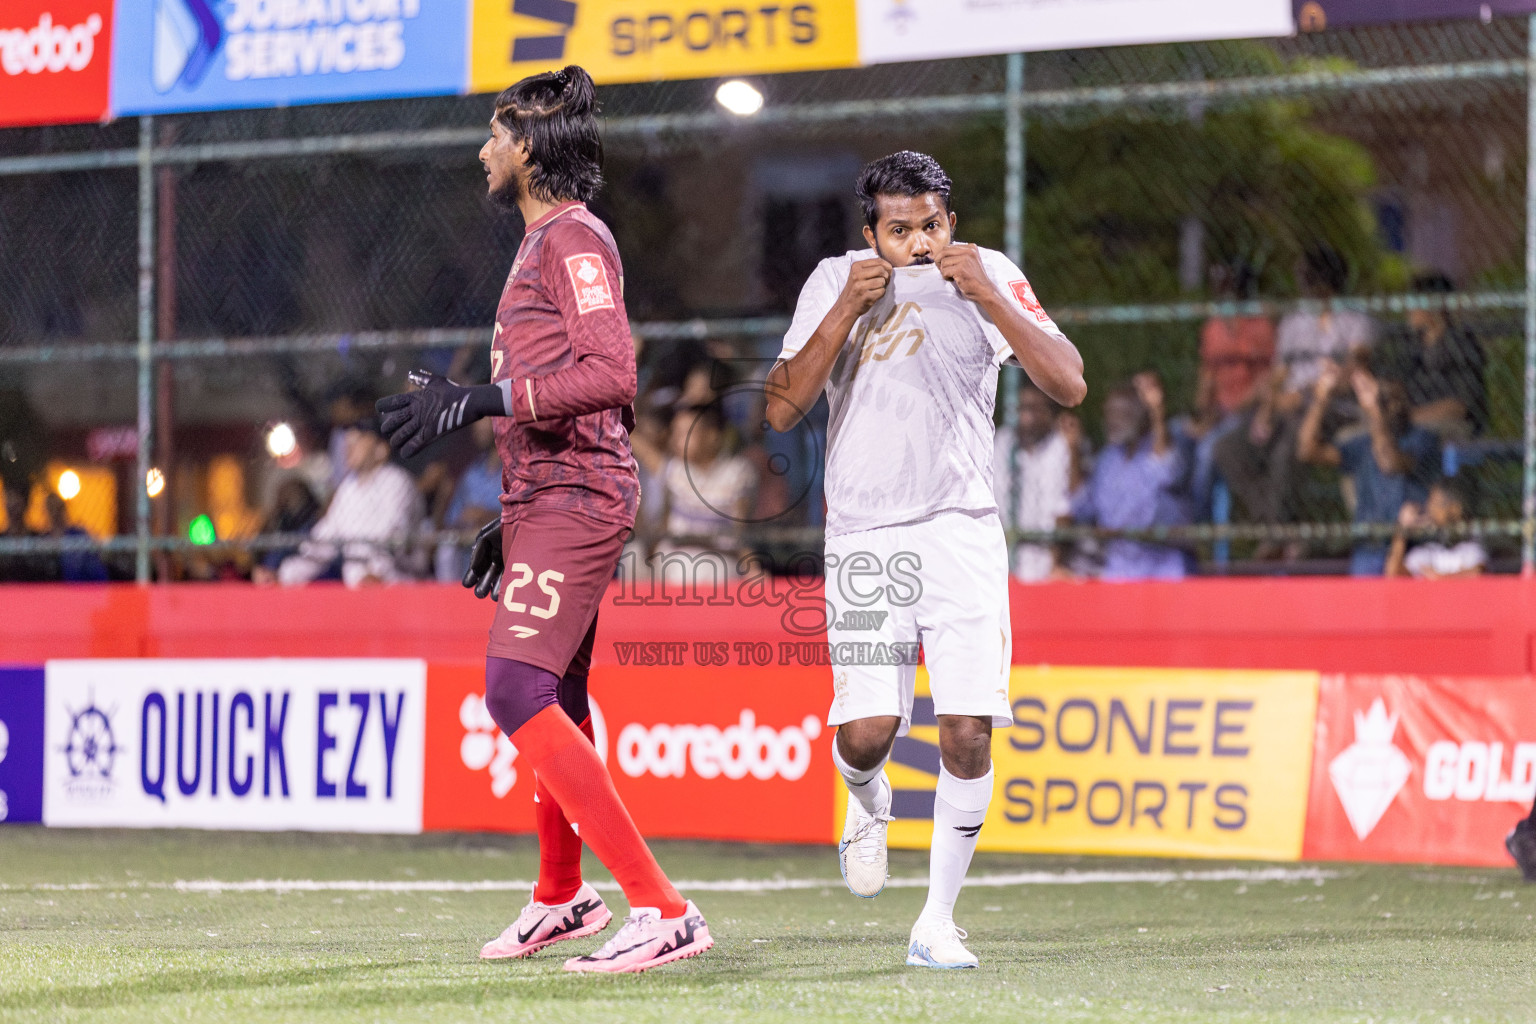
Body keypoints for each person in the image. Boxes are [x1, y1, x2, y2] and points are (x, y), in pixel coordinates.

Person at [373, 65, 712, 974]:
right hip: (546, 496)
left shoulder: (574, 240)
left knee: (514, 691)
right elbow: (566, 389)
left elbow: (611, 375)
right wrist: (512, 513)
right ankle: (563, 897)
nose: (484, 146)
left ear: (528, 148)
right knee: (555, 694)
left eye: (495, 131)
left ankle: (663, 908)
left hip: (580, 494)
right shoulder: (545, 242)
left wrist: (481, 399)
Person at [765, 151, 1085, 968]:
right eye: (898, 229)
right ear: (869, 232)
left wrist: (989, 300)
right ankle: (867, 800)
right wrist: (843, 311)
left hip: (961, 525)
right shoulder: (836, 279)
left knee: (968, 729)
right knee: (870, 732)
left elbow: (1069, 382)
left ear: (952, 220)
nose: (917, 242)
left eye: (930, 225)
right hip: (866, 536)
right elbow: (778, 407)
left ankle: (937, 922)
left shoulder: (986, 274)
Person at [1215, 245, 1374, 551]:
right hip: (1287, 406)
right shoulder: (1294, 322)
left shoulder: (1356, 321)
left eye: (1305, 277)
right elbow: (1278, 373)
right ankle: (1281, 530)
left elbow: (1353, 372)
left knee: (1289, 445)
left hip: (1334, 406)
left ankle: (1280, 535)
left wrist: (1302, 397)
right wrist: (1269, 403)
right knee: (1228, 448)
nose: (1301, 285)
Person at [1297, 361, 1439, 576]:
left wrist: (1374, 411)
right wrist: (1321, 398)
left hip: (1413, 545)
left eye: (1396, 399)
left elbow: (1390, 464)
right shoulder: (1363, 443)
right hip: (1369, 546)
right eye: (1385, 400)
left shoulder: (1422, 439)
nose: (1392, 406)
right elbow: (1307, 451)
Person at [268, 420, 420, 587]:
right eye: (349, 441)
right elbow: (323, 542)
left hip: (397, 586)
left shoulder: (396, 481)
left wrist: (376, 571)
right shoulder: (348, 488)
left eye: (359, 440)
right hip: (357, 591)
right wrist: (284, 576)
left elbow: (394, 535)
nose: (349, 446)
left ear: (380, 450)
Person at [1072, 373, 1190, 581]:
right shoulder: (1107, 459)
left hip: (1163, 564)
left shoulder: (1157, 446)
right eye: (1110, 413)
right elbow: (1081, 506)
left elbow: (1166, 468)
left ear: (1141, 415)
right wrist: (1072, 450)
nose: (1114, 420)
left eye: (1123, 413)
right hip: (1118, 566)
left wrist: (1157, 411)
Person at [991, 380, 1076, 582]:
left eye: (1036, 408)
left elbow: (1063, 510)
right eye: (1023, 407)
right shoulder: (1003, 442)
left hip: (1047, 555)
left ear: (1050, 412)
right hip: (1003, 551)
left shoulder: (1059, 445)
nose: (1028, 414)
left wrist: (1056, 563)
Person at [1386, 273, 1486, 441]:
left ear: (1435, 305)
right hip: (1411, 422)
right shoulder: (1412, 343)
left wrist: (1408, 418)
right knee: (1361, 437)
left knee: (1413, 439)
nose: (1408, 309)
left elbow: (1460, 407)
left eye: (1413, 302)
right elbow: (1396, 383)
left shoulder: (1460, 344)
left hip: (1453, 424)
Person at [1385, 478, 1485, 579]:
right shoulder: (1426, 552)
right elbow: (1393, 575)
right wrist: (1402, 530)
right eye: (1430, 503)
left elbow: (1477, 574)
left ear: (1455, 509)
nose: (1429, 509)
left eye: (1436, 504)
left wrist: (1440, 579)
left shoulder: (1470, 548)